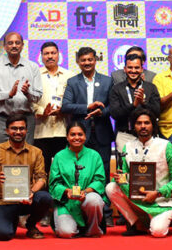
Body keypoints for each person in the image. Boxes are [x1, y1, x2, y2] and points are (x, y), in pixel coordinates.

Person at [106, 109, 172, 237]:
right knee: (111, 187)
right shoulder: (127, 147)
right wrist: (120, 178)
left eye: (147, 123)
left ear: (153, 125)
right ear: (134, 126)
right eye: (139, 123)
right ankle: (137, 223)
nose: (143, 126)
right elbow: (123, 176)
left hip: (160, 200)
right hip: (136, 199)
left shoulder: (166, 146)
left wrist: (158, 193)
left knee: (158, 232)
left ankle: (161, 219)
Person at [61, 47, 114, 225]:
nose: (87, 63)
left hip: (102, 133)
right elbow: (66, 106)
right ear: (78, 62)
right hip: (80, 135)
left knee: (103, 173)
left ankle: (106, 213)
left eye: (90, 59)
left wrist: (102, 112)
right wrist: (87, 107)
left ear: (95, 60)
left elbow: (113, 106)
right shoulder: (72, 82)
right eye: (83, 60)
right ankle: (79, 210)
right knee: (80, 173)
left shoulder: (107, 81)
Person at [0, 114, 51, 240]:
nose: (18, 132)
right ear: (7, 130)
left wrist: (32, 192)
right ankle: (13, 219)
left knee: (45, 198)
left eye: (21, 128)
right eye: (14, 128)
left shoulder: (36, 152)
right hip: (4, 201)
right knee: (4, 235)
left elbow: (41, 178)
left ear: (26, 130)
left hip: (27, 200)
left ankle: (30, 224)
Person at [49, 122, 106, 238]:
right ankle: (77, 228)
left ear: (85, 136)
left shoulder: (94, 155)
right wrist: (67, 191)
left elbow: (99, 181)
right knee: (66, 232)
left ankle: (92, 230)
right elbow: (54, 184)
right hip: (66, 202)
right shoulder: (59, 156)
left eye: (80, 134)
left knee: (94, 200)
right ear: (67, 137)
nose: (76, 138)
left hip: (87, 199)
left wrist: (85, 192)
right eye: (72, 134)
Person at [0, 32, 42, 145]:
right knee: (1, 153)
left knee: (26, 154)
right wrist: (9, 94)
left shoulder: (33, 67)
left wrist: (27, 93)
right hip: (2, 119)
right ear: (4, 46)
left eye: (17, 43)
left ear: (22, 45)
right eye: (10, 43)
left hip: (26, 119)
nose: (14, 46)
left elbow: (38, 96)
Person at [32, 41, 72, 177]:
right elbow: (28, 100)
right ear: (41, 56)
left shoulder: (69, 75)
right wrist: (42, 111)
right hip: (41, 131)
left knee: (64, 171)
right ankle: (43, 191)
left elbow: (75, 100)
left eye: (53, 53)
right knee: (42, 171)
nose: (50, 56)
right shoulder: (34, 75)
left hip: (63, 130)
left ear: (58, 54)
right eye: (46, 53)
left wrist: (65, 109)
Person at [109, 53, 161, 155]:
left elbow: (157, 112)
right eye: (130, 67)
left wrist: (143, 103)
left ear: (142, 69)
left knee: (149, 164)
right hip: (125, 135)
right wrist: (133, 105)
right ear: (124, 69)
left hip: (148, 135)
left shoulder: (151, 87)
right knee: (124, 164)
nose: (133, 71)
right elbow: (115, 114)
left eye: (137, 67)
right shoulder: (116, 89)